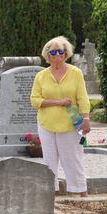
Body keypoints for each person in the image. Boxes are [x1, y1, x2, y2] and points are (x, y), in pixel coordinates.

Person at [30, 36, 91, 196]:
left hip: (71, 123)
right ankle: (51, 192)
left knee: (73, 159)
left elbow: (83, 98)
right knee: (49, 161)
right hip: (46, 124)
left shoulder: (75, 73)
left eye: (61, 52)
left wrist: (86, 118)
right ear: (47, 55)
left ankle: (81, 191)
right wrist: (59, 102)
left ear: (66, 54)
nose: (58, 55)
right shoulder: (41, 76)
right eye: (53, 52)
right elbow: (35, 101)